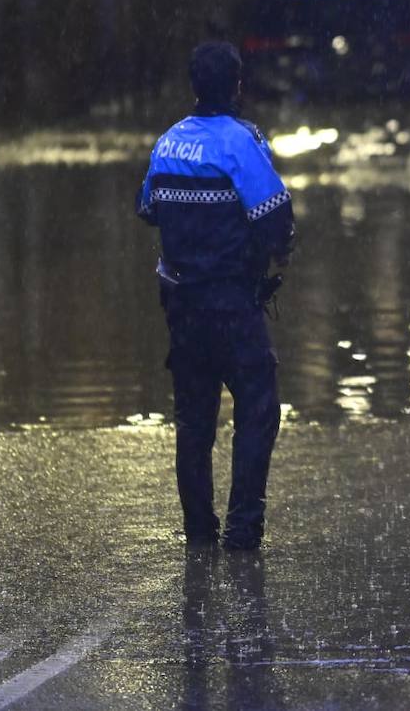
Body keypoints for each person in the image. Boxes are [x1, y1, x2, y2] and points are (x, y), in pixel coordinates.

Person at [137, 41, 294, 550]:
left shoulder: (167, 142)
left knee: (194, 420)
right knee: (258, 406)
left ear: (193, 87)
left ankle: (199, 534)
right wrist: (277, 254)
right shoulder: (240, 141)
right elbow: (275, 219)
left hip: (182, 306)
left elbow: (147, 208)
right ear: (238, 86)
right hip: (232, 304)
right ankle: (243, 530)